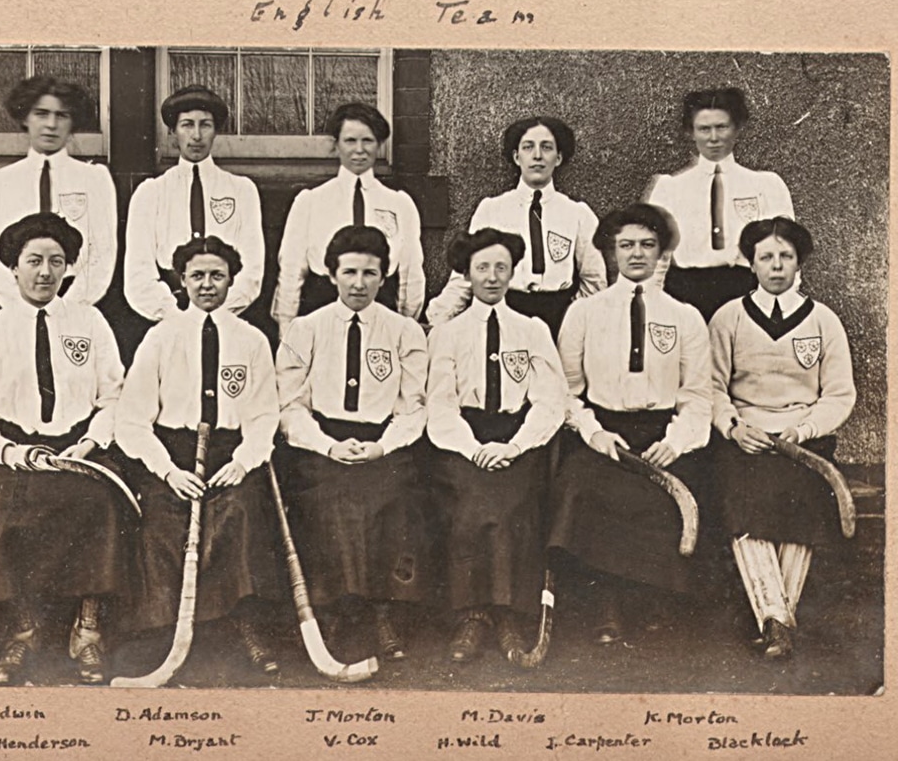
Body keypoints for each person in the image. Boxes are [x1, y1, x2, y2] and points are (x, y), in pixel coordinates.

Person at [0, 212, 128, 686]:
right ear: (13, 267)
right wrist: (11, 452)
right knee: (10, 504)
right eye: (34, 261)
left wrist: (91, 442)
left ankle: (86, 631)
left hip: (79, 446)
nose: (45, 272)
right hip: (11, 451)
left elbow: (115, 396)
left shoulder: (89, 322)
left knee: (100, 502)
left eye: (56, 261)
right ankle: (23, 629)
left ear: (68, 267)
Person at [115, 236, 281, 674]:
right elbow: (131, 421)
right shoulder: (160, 338)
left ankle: (242, 626)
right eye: (197, 276)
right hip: (172, 453)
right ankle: (164, 632)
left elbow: (265, 414)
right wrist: (168, 471)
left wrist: (244, 460)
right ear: (181, 281)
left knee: (238, 514)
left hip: (229, 452)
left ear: (231, 281)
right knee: (162, 523)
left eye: (217, 275)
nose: (207, 284)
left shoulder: (252, 340)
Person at [548, 203, 712, 644]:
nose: (636, 254)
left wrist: (677, 441)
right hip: (604, 434)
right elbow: (566, 390)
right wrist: (593, 431)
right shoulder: (584, 313)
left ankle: (653, 599)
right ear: (611, 252)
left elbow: (699, 395)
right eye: (626, 245)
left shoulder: (685, 316)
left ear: (662, 252)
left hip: (663, 434)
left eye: (647, 245)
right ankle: (608, 605)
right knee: (585, 488)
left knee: (666, 495)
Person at [275, 225, 430, 662]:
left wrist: (384, 446)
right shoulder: (306, 329)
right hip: (322, 441)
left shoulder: (403, 332)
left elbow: (414, 407)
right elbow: (289, 405)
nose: (359, 283)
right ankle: (335, 609)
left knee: (392, 496)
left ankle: (384, 612)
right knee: (329, 498)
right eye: (350, 272)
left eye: (370, 273)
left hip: (383, 442)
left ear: (384, 277)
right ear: (331, 275)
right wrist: (326, 445)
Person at [708, 217, 855, 658]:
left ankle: (775, 621)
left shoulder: (823, 321)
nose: (776, 266)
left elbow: (839, 394)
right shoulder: (729, 317)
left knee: (803, 502)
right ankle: (777, 617)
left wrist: (805, 429)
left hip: (802, 441)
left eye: (785, 257)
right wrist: (733, 426)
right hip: (745, 439)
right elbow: (711, 387)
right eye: (766, 257)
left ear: (799, 263)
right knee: (744, 502)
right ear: (751, 264)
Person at [426, 228, 567, 664]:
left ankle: (509, 613)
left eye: (501, 268)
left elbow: (550, 399)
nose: (491, 277)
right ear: (467, 273)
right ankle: (471, 615)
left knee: (513, 503)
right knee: (471, 502)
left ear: (512, 272)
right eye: (482, 267)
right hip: (462, 440)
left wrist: (517, 445)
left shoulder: (532, 329)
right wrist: (471, 449)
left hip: (516, 437)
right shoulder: (447, 334)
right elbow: (439, 402)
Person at [426, 116, 605, 341]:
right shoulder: (492, 209)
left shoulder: (578, 214)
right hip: (506, 314)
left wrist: (574, 326)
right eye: (528, 147)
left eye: (546, 147)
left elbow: (594, 282)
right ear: (516, 156)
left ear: (558, 158)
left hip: (560, 318)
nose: (537, 155)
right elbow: (465, 278)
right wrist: (437, 321)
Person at [272, 102, 424, 336]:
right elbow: (292, 272)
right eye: (350, 141)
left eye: (368, 141)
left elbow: (410, 274)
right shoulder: (311, 201)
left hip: (381, 311)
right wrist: (287, 331)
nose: (359, 150)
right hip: (321, 308)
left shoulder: (399, 204)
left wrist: (404, 326)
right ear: (336, 145)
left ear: (379, 145)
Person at [645, 87, 794, 321]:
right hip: (685, 295)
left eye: (721, 127)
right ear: (691, 132)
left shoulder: (765, 185)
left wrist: (783, 308)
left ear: (737, 129)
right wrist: (651, 308)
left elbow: (786, 253)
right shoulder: (670, 188)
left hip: (746, 294)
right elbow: (655, 259)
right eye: (704, 129)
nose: (713, 138)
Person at [0, 76, 117, 308]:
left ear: (73, 123)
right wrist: (22, 308)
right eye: (41, 114)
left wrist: (67, 309)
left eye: (62, 115)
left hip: (78, 304)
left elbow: (102, 256)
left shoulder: (94, 180)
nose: (51, 124)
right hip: (16, 308)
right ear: (25, 118)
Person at [125, 85, 264, 321]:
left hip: (227, 316)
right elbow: (138, 274)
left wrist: (219, 311)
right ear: (173, 132)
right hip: (168, 318)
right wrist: (176, 317)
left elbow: (252, 269)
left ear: (215, 131)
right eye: (187, 125)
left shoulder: (241, 190)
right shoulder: (151, 193)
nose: (197, 136)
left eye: (205, 125)